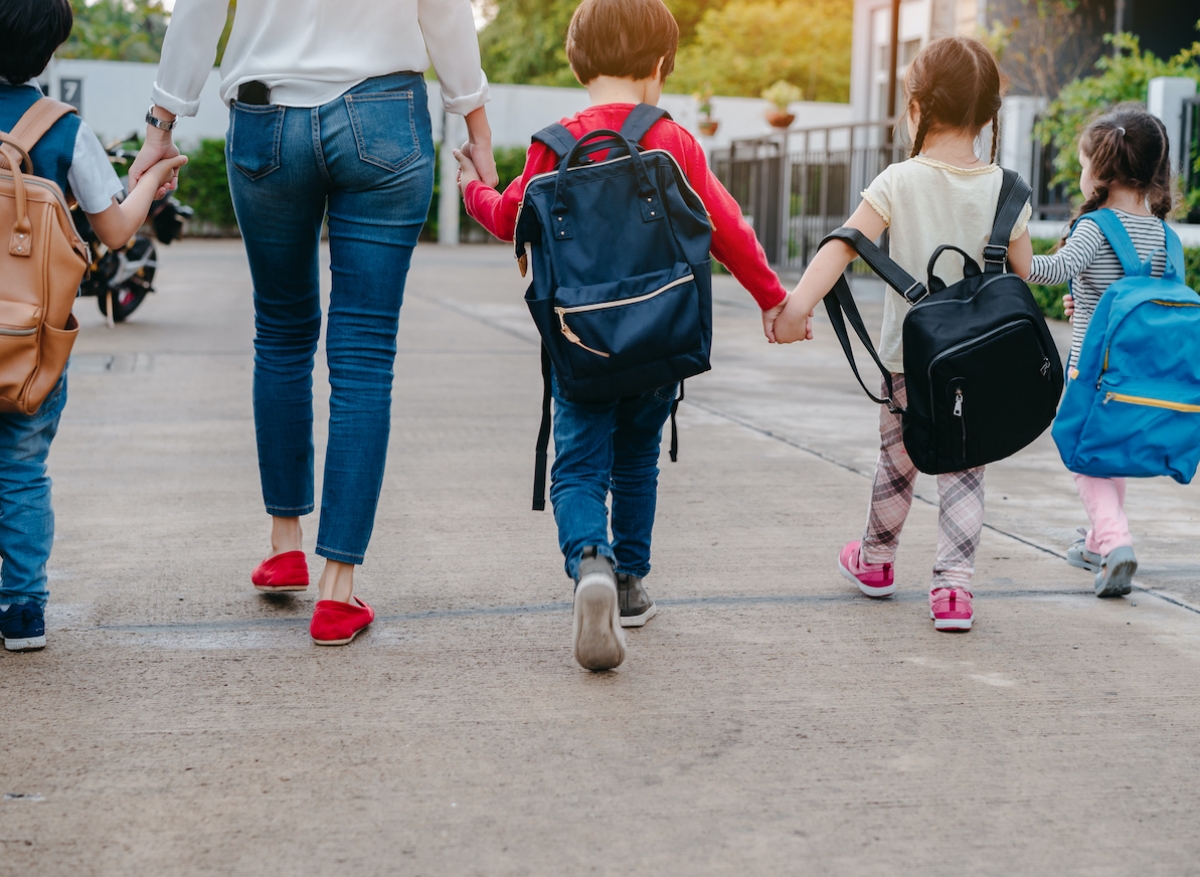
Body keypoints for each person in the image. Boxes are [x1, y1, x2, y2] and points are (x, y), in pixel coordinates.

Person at [130, 0, 497, 646]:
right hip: (385, 116)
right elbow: (442, 10)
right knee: (362, 353)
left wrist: (162, 123)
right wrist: (476, 122)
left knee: (280, 331)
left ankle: (284, 544)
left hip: (266, 115)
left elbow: (198, 10)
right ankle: (336, 590)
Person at [454, 0, 790, 670]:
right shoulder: (672, 140)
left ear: (578, 62)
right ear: (660, 65)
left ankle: (592, 563)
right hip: (661, 339)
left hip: (581, 343)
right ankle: (631, 584)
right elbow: (728, 228)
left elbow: (507, 218)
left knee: (579, 464)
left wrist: (472, 186)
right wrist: (774, 299)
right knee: (637, 456)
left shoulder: (554, 143)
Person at [772, 36, 1032, 632]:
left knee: (897, 462)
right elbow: (1023, 275)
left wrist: (796, 307)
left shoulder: (898, 180)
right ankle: (953, 593)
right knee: (966, 467)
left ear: (915, 108)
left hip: (908, 362)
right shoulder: (1007, 190)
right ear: (991, 115)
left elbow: (844, 243)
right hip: (981, 365)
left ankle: (878, 561)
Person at [0, 0, 186, 651]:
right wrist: (155, 173)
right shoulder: (61, 128)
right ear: (49, 51)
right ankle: (21, 608)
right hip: (26, 341)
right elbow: (112, 229)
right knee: (21, 469)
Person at [1020, 106, 1174, 595]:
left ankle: (1115, 540)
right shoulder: (1164, 234)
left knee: (1082, 455)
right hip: (1140, 372)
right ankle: (1095, 543)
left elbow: (1048, 270)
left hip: (1092, 370)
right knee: (1109, 452)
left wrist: (1013, 235)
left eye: (1084, 163)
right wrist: (1083, 301)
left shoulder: (1094, 227)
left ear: (1100, 172)